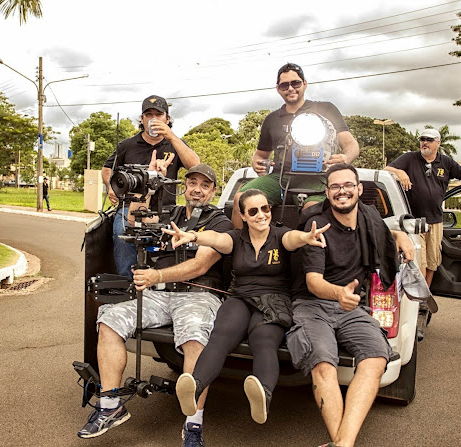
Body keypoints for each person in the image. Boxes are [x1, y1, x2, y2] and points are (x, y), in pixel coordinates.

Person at [78, 164, 232, 447]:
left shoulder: (219, 221)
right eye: (192, 182)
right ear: (184, 187)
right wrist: (145, 186)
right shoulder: (170, 214)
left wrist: (157, 275)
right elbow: (135, 221)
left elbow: (201, 264)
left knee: (195, 340)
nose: (197, 189)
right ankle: (111, 404)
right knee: (110, 320)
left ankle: (193, 424)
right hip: (158, 294)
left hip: (197, 295)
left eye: (205, 185)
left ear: (213, 191)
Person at [168, 189, 330, 426]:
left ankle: (262, 395)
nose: (261, 215)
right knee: (220, 338)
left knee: (264, 341)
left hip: (274, 301)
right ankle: (194, 389)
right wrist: (193, 237)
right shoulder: (235, 238)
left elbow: (292, 239)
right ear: (243, 216)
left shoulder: (280, 235)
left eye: (265, 209)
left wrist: (305, 238)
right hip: (241, 298)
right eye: (253, 211)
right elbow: (216, 239)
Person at [286, 164, 414, 447]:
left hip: (352, 308)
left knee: (376, 357)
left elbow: (382, 233)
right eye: (334, 186)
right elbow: (313, 282)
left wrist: (399, 235)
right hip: (313, 304)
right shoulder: (316, 225)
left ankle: (342, 444)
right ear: (327, 193)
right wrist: (339, 293)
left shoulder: (369, 218)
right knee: (323, 364)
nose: (341, 191)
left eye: (347, 185)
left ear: (358, 189)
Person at [231, 62, 360, 228]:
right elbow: (260, 155)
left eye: (295, 83)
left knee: (313, 211)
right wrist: (257, 163)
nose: (290, 88)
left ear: (304, 84)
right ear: (278, 88)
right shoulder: (272, 119)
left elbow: (351, 144)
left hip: (317, 177)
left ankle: (314, 253)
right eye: (284, 85)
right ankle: (241, 250)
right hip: (281, 177)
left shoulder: (325, 109)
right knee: (241, 198)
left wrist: (345, 158)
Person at [102, 95, 200, 279]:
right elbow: (107, 169)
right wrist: (111, 186)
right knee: (122, 233)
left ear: (167, 119)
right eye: (148, 114)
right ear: (142, 118)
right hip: (131, 208)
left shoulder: (175, 144)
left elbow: (195, 166)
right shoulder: (127, 145)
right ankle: (128, 284)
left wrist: (170, 136)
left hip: (167, 209)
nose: (153, 118)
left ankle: (165, 284)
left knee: (179, 240)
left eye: (158, 114)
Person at [385, 128, 461, 286]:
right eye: (422, 139)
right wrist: (400, 173)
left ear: (438, 143)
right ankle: (419, 298)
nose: (425, 143)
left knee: (432, 262)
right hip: (414, 222)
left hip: (435, 221)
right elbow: (387, 169)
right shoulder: (410, 158)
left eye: (429, 140)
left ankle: (425, 296)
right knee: (419, 261)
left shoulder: (446, 162)